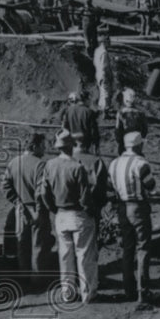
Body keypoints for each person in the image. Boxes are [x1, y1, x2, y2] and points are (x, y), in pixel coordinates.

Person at [38, 130, 96, 304]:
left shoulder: (49, 165)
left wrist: (54, 209)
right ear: (71, 146)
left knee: (65, 256)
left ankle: (68, 294)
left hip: (61, 215)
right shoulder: (77, 167)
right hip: (78, 214)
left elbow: (44, 193)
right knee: (84, 255)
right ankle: (88, 293)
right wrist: (90, 211)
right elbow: (85, 197)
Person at [1, 131, 54, 286]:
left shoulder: (13, 162)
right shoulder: (40, 165)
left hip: (20, 209)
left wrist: (17, 202)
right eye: (42, 146)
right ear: (35, 146)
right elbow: (40, 191)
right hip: (37, 210)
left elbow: (5, 186)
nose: (44, 150)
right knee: (39, 245)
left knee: (22, 244)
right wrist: (38, 210)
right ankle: (37, 279)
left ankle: (24, 277)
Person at [108, 132, 156, 303]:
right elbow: (150, 185)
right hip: (138, 207)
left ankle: (128, 289)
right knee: (143, 248)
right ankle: (143, 291)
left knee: (127, 249)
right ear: (138, 146)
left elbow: (109, 188)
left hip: (122, 207)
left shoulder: (113, 163)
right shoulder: (141, 163)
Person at [72, 131, 110, 249]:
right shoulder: (96, 161)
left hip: (68, 207)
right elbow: (101, 186)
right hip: (91, 208)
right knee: (90, 242)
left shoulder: (64, 161)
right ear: (89, 145)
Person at [115, 88, 149, 155]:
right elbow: (145, 129)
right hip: (137, 139)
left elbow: (118, 128)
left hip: (124, 140)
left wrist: (118, 139)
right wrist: (142, 137)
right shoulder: (141, 113)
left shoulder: (121, 113)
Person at [93, 36, 114, 119]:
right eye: (108, 41)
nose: (109, 43)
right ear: (103, 42)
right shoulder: (104, 52)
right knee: (106, 93)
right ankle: (105, 112)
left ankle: (101, 108)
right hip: (104, 74)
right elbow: (105, 67)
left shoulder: (97, 51)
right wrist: (109, 75)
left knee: (102, 91)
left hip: (98, 73)